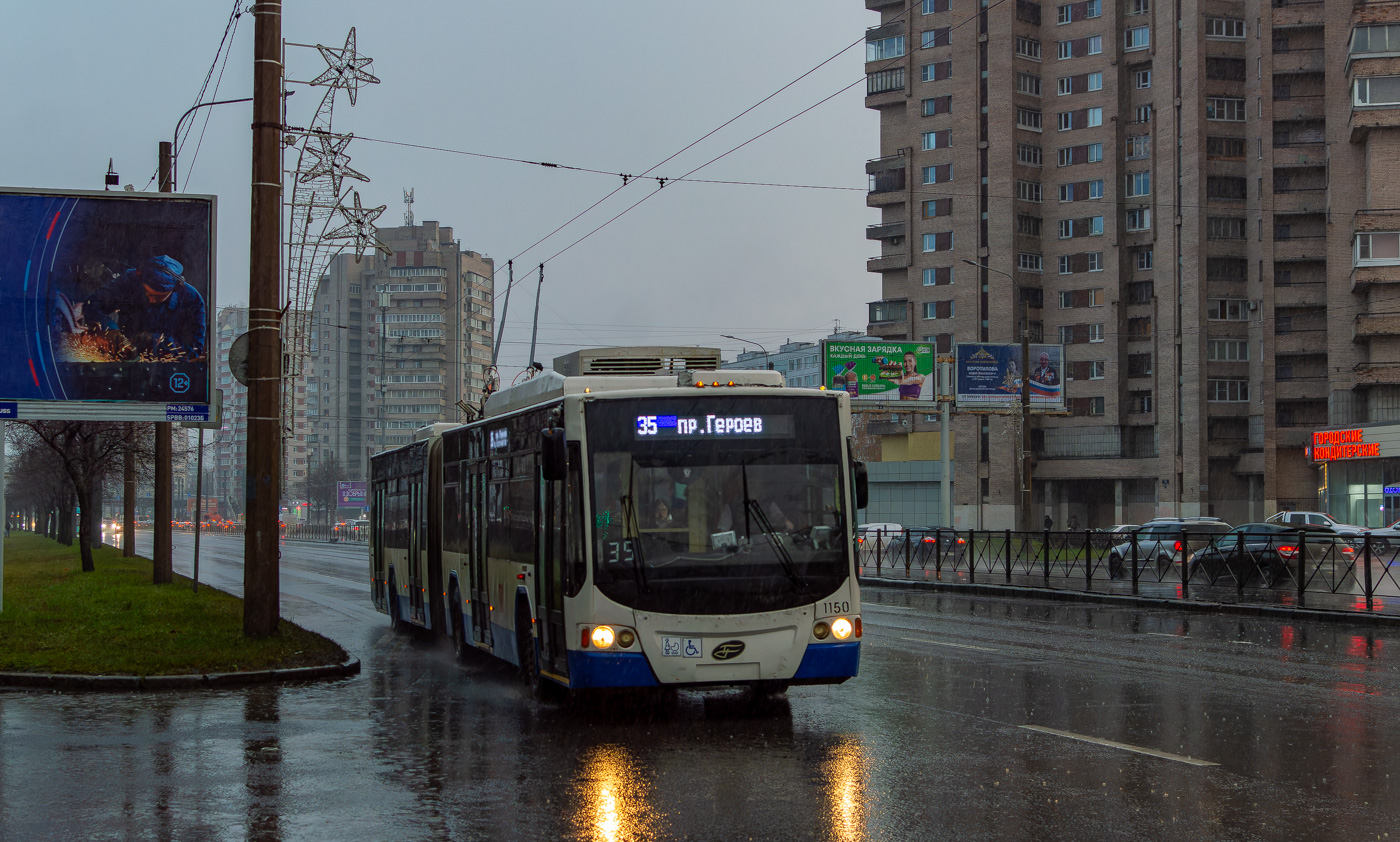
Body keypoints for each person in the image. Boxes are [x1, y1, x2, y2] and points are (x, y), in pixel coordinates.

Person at [71, 255, 206, 361]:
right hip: (123, 357)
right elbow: (92, 304)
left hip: (164, 368)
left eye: (159, 297)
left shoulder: (192, 300)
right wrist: (110, 329)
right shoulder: (130, 280)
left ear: (174, 290)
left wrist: (156, 342)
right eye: (147, 293)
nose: (151, 300)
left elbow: (195, 347)